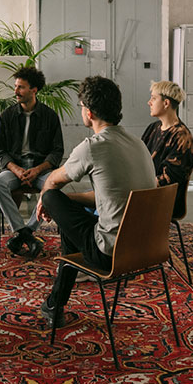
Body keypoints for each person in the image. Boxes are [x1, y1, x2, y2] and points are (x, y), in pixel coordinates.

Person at [35, 76, 156, 328]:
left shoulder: (92, 147)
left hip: (110, 253)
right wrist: (68, 203)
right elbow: (114, 195)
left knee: (50, 196)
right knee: (69, 215)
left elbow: (52, 182)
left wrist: (46, 202)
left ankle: (56, 304)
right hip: (146, 247)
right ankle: (55, 304)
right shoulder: (138, 144)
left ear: (88, 112)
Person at [0, 67, 64, 259]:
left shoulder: (50, 116)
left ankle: (27, 232)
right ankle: (24, 233)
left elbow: (57, 151)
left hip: (41, 169)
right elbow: (0, 150)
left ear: (34, 90)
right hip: (16, 168)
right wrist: (16, 169)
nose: (15, 91)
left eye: (21, 87)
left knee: (53, 186)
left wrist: (38, 169)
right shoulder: (6, 116)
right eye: (16, 86)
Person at [142, 81, 193, 217]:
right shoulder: (153, 128)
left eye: (153, 98)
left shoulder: (182, 137)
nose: (149, 102)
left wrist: (135, 184)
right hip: (144, 190)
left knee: (104, 202)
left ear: (166, 103)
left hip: (162, 199)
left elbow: (169, 179)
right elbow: (138, 158)